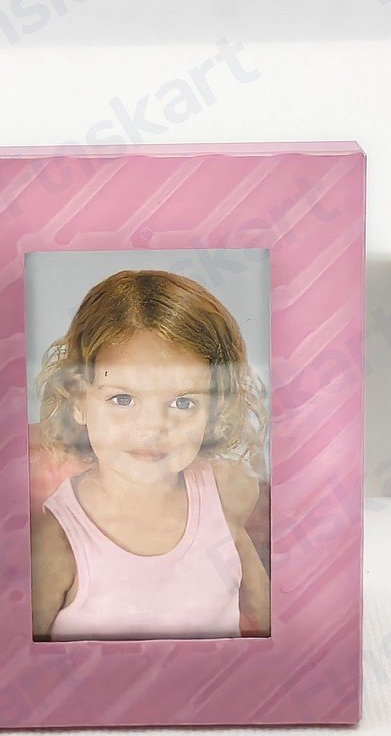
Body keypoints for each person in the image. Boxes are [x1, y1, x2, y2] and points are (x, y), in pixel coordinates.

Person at [30, 269, 270, 641]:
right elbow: (19, 660)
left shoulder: (227, 495)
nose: (152, 427)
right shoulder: (58, 540)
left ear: (214, 410)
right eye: (122, 399)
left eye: (182, 402)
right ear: (78, 400)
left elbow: (268, 623)